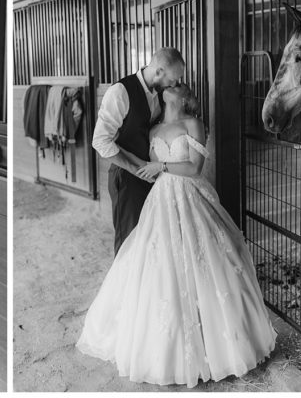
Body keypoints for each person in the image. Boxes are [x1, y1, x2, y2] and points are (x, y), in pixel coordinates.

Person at [77, 83, 276, 387]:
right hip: (161, 198)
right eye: (169, 83)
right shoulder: (154, 128)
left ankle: (220, 342)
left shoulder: (193, 123)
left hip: (191, 194)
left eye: (178, 84)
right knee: (159, 262)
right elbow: (144, 163)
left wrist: (162, 165)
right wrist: (144, 167)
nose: (171, 86)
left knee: (208, 258)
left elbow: (195, 168)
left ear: (185, 97)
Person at [91, 48, 185, 254]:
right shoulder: (120, 92)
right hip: (126, 178)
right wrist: (136, 169)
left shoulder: (161, 94)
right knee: (129, 243)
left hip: (153, 177)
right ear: (159, 71)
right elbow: (100, 141)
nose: (175, 84)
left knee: (149, 243)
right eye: (173, 79)